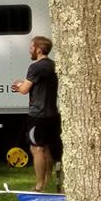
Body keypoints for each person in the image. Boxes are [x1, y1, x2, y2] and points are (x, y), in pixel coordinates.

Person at [13, 36, 60, 192]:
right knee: (47, 148)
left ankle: (39, 185)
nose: (30, 50)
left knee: (36, 149)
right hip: (52, 113)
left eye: (32, 47)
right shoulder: (53, 65)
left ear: (38, 49)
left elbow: (25, 89)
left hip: (37, 114)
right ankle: (48, 180)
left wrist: (19, 85)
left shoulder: (35, 67)